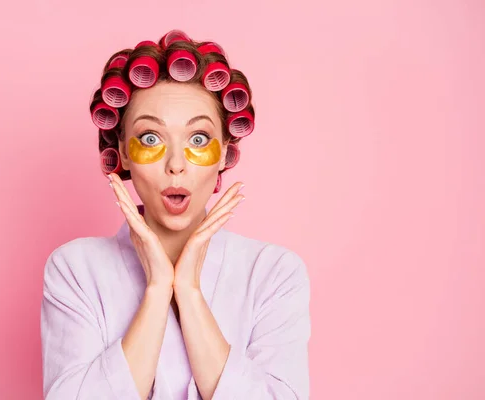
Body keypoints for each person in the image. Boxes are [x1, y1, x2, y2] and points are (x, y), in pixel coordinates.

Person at [40, 29, 311, 400]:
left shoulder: (274, 273)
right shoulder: (74, 269)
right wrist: (156, 291)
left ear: (223, 153)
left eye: (198, 139)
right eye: (151, 138)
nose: (176, 165)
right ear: (122, 149)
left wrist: (189, 291)